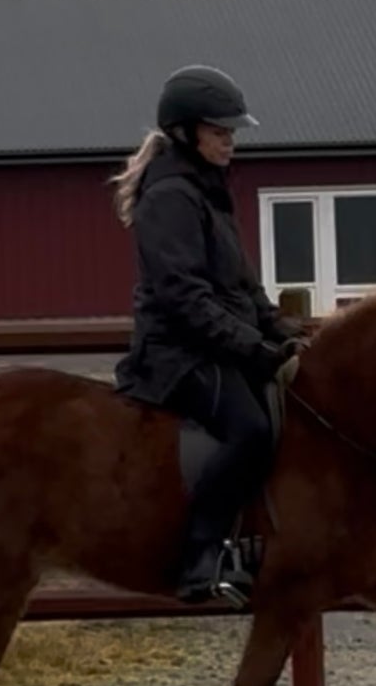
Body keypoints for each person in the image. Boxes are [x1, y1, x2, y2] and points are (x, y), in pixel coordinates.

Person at [112, 65, 306, 607]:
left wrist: (282, 333)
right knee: (250, 429)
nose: (230, 142)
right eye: (220, 132)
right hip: (176, 352)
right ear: (186, 133)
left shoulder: (209, 191)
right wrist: (257, 350)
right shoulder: (171, 196)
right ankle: (201, 556)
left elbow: (242, 284)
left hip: (214, 344)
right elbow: (185, 298)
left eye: (232, 133)